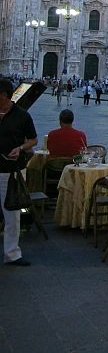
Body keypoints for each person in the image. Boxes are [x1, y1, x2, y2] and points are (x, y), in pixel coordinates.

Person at [0, 78, 38, 266]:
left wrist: (21, 148)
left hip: (11, 171)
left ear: (5, 95)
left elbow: (33, 140)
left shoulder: (22, 115)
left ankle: (12, 253)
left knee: (12, 214)